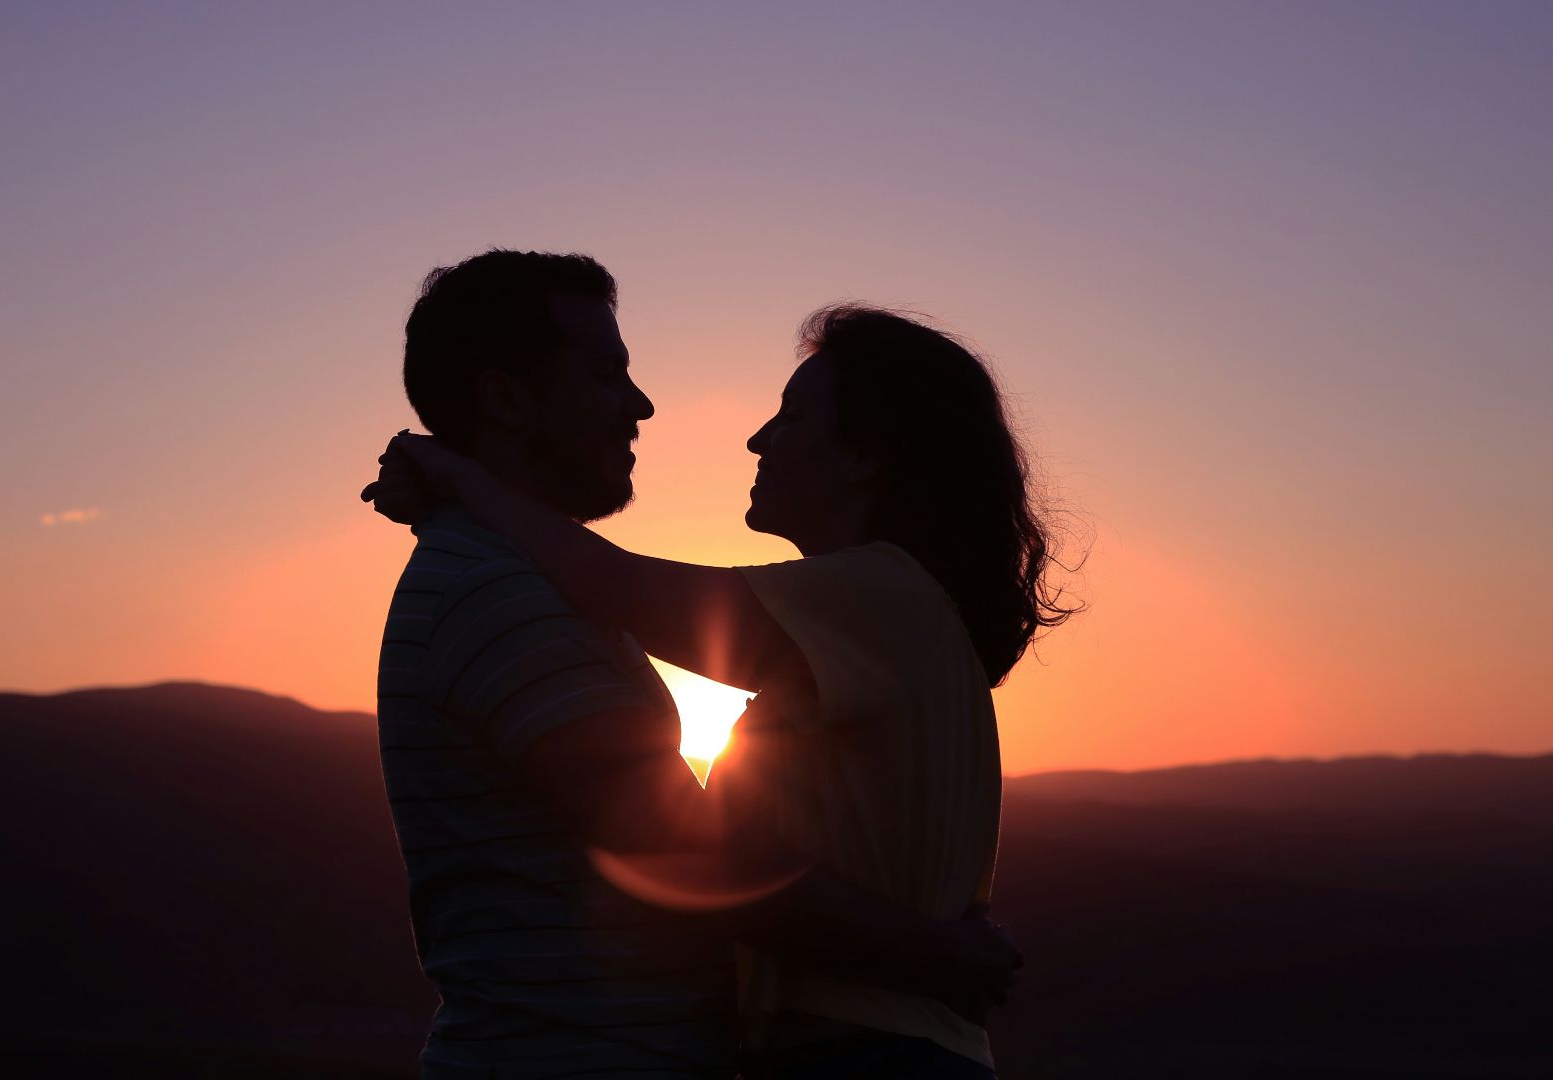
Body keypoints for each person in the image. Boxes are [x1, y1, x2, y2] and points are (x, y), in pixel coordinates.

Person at [368, 294, 1069, 1078]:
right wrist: (929, 951)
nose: (758, 438)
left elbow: (616, 583)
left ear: (867, 454)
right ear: (504, 398)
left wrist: (459, 478)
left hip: (869, 1053)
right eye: (608, 374)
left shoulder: (884, 598)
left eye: (792, 418)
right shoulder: (865, 620)